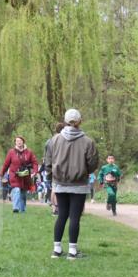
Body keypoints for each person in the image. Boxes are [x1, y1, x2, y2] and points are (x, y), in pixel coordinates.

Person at [45, 109, 99, 260]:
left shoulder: (54, 140)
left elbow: (48, 162)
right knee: (75, 217)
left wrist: (51, 179)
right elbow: (93, 163)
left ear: (65, 121)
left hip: (60, 183)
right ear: (80, 121)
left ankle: (56, 250)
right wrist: (84, 171)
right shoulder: (88, 141)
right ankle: (72, 252)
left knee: (61, 215)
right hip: (79, 184)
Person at [1, 136, 38, 213]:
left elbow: (35, 162)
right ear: (15, 142)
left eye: (20, 141)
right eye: (17, 141)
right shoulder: (11, 152)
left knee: (23, 193)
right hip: (14, 175)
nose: (19, 142)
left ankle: (22, 210)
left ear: (23, 142)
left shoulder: (29, 152)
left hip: (25, 176)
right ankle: (15, 208)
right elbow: (6, 164)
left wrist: (35, 171)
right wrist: (2, 173)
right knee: (17, 190)